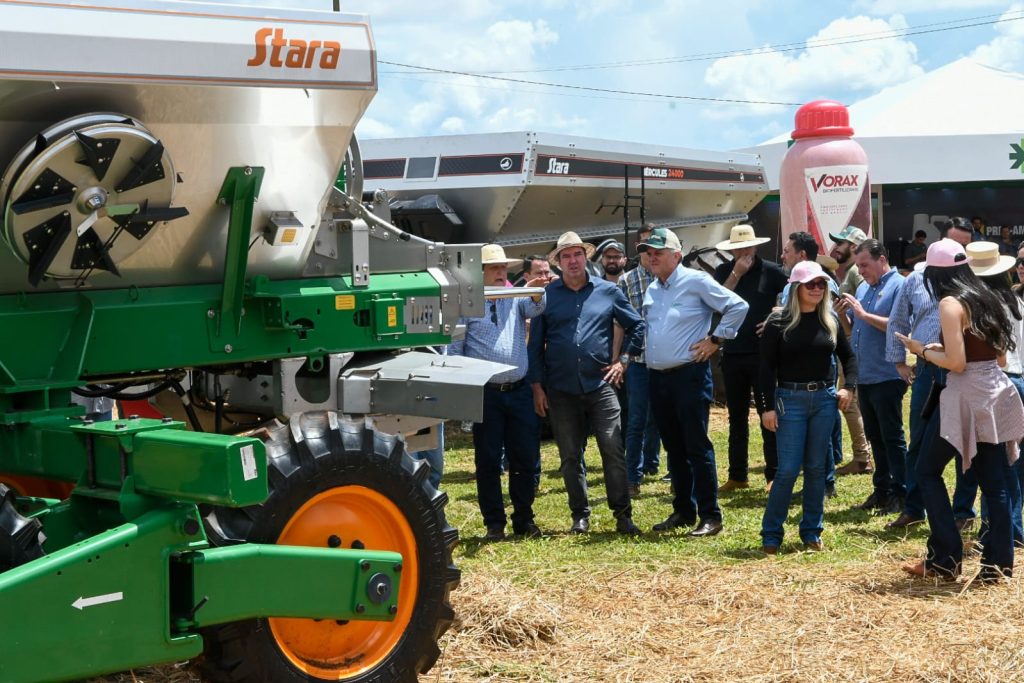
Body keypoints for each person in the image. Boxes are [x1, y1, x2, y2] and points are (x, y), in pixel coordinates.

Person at [897, 239, 1024, 581]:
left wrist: (921, 349)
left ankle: (945, 558)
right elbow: (997, 357)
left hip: (966, 397)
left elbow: (956, 362)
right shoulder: (987, 296)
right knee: (995, 483)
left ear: (935, 274)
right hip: (995, 391)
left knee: (926, 471)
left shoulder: (951, 303)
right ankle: (998, 566)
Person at [527, 231, 644, 536]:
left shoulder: (608, 291)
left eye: (577, 254)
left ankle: (622, 514)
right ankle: (580, 514)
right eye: (566, 256)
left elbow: (638, 326)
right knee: (569, 456)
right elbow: (535, 345)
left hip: (600, 385)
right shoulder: (547, 297)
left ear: (586, 257)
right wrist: (537, 387)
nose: (573, 260)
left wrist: (624, 360)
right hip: (561, 388)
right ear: (559, 262)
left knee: (612, 448)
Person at [640, 228, 749, 537]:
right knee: (674, 447)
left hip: (688, 375)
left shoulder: (696, 281)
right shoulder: (654, 289)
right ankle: (684, 510)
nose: (652, 256)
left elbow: (737, 306)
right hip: (658, 377)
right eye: (649, 252)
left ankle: (710, 515)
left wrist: (716, 339)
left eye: (658, 252)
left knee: (696, 446)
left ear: (677, 255)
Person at [450, 244, 547, 541]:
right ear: (480, 273)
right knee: (488, 459)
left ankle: (524, 518)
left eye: (503, 267)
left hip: (517, 391)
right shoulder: (467, 302)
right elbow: (454, 349)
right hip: (487, 393)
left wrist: (534, 290)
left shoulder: (516, 296)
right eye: (494, 268)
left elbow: (537, 306)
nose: (500, 272)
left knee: (525, 457)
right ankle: (494, 522)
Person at [759, 260, 857, 553]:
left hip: (824, 399)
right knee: (787, 469)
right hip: (789, 399)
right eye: (810, 284)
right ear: (796, 288)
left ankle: (811, 532)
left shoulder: (830, 319)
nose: (817, 289)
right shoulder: (778, 322)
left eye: (822, 284)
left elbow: (849, 358)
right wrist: (766, 407)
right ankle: (771, 535)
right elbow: (764, 368)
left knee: (817, 468)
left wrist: (847, 387)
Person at [836, 240, 908, 516]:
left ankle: (900, 492)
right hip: (865, 374)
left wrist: (864, 315)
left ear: (882, 259)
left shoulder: (899, 285)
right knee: (875, 436)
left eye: (865, 265)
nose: (861, 271)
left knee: (892, 436)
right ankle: (882, 489)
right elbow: (855, 330)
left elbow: (901, 326)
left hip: (888, 373)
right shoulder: (864, 287)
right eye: (858, 266)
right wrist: (846, 318)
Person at [713, 224, 787, 491]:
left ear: (755, 246)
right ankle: (738, 475)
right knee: (737, 417)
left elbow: (794, 297)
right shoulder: (724, 271)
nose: (743, 251)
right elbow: (718, 302)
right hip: (732, 353)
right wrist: (736, 273)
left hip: (763, 354)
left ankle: (773, 474)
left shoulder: (772, 271)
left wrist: (775, 315)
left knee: (768, 413)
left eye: (747, 246)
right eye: (738, 248)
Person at [966, 242, 1024, 547]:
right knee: (1016, 464)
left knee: (997, 466)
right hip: (1020, 382)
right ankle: (1013, 528)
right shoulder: (1016, 303)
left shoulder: (983, 306)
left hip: (998, 385)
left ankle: (996, 530)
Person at [618, 224, 662, 495]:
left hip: (668, 361)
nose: (649, 252)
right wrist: (617, 359)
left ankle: (657, 465)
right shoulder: (627, 281)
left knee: (661, 418)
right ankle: (632, 476)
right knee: (636, 419)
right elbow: (618, 323)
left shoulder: (671, 278)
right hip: (638, 360)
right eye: (644, 247)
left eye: (653, 247)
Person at [827, 226, 873, 477]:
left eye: (841, 243)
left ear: (854, 247)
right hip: (851, 340)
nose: (836, 248)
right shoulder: (853, 272)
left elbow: (858, 313)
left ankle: (862, 457)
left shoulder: (857, 272)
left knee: (849, 401)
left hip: (853, 343)